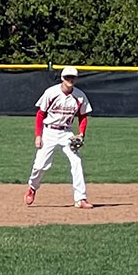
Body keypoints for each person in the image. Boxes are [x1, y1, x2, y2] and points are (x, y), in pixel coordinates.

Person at [23, 65, 93, 208]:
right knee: (40, 165)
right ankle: (32, 187)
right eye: (67, 77)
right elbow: (40, 114)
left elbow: (83, 116)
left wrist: (81, 133)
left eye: (73, 77)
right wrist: (38, 135)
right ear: (62, 78)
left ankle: (80, 199)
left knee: (76, 162)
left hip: (66, 132)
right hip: (49, 131)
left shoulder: (79, 96)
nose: (70, 80)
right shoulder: (51, 93)